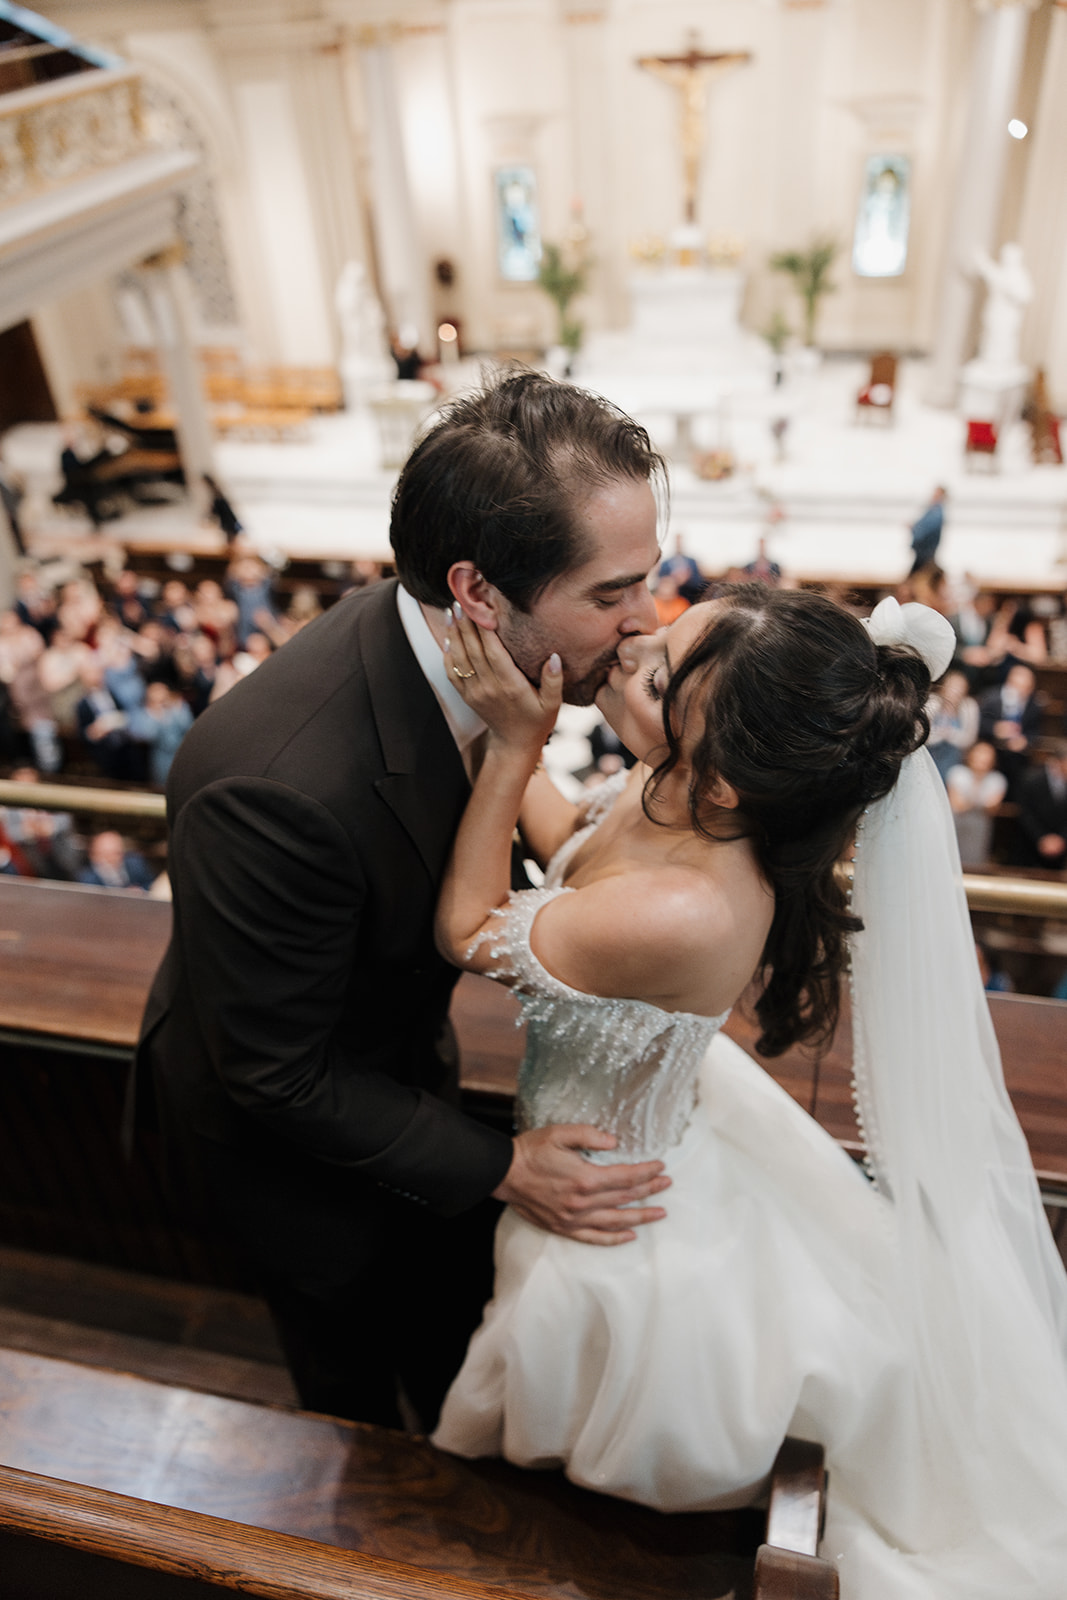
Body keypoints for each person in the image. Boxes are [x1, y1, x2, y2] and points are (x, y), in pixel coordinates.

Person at [431, 589, 1067, 1598]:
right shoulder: (662, 796)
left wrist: (510, 744)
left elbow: (467, 928)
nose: (632, 640)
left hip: (611, 1196)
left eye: (655, 673)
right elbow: (563, 846)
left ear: (720, 783)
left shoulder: (690, 905)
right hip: (664, 1123)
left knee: (545, 1505)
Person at [135, 371, 667, 1432]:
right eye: (609, 593)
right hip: (288, 1156)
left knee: (444, 1334)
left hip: (400, 1065)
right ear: (476, 591)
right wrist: (504, 1165)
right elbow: (275, 1073)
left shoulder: (477, 663)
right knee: (352, 1398)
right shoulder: (275, 791)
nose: (644, 619)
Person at [1015, 742, 1067, 871]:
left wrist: (1061, 839)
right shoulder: (1031, 778)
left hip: (1060, 851)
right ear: (1059, 762)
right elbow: (1025, 813)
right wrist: (1041, 838)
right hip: (1029, 848)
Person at [908, 485, 947, 575]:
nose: (933, 495)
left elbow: (926, 529)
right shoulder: (932, 510)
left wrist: (915, 529)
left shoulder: (936, 512)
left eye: (937, 494)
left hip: (925, 549)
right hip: (924, 549)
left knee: (918, 574)